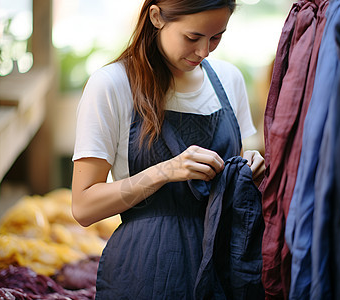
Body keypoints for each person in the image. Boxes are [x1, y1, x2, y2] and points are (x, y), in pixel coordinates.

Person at [71, 0, 265, 298]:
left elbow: (233, 184)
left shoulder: (229, 80)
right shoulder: (111, 85)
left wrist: (248, 166)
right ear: (156, 17)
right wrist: (164, 171)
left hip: (226, 267)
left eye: (216, 37)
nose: (204, 51)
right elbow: (83, 206)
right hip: (149, 273)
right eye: (192, 37)